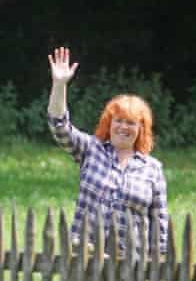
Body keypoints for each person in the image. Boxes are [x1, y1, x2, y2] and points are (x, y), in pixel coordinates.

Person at [46, 46, 168, 256]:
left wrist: (156, 267)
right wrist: (59, 84)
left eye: (131, 123)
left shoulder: (153, 169)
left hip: (131, 268)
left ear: (141, 129)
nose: (123, 127)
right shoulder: (91, 150)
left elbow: (160, 225)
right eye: (118, 120)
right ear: (108, 124)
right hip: (84, 260)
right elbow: (59, 126)